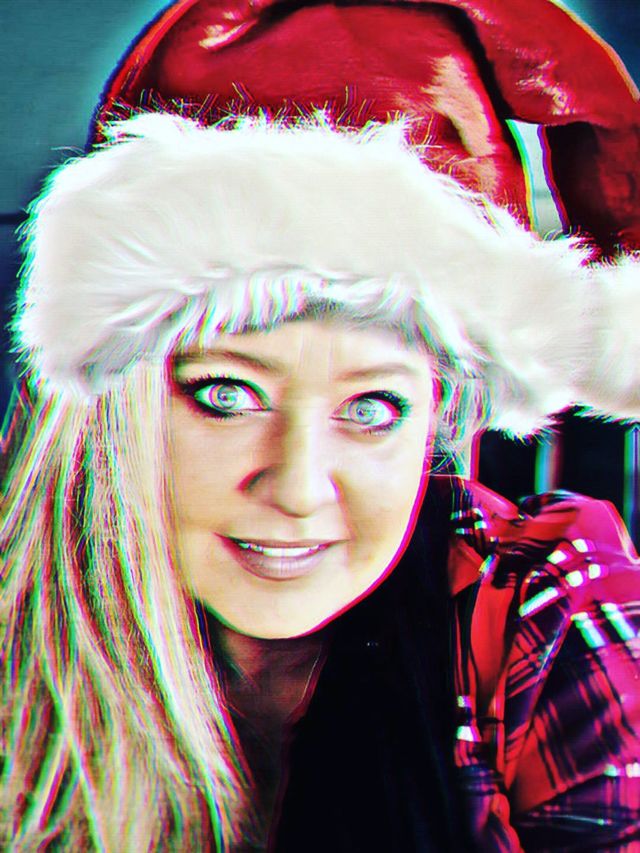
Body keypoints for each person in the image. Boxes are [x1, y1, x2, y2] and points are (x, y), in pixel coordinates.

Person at [2, 2, 640, 851]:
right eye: (226, 394)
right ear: (107, 405)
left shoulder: (540, 601)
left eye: (372, 408)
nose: (299, 488)